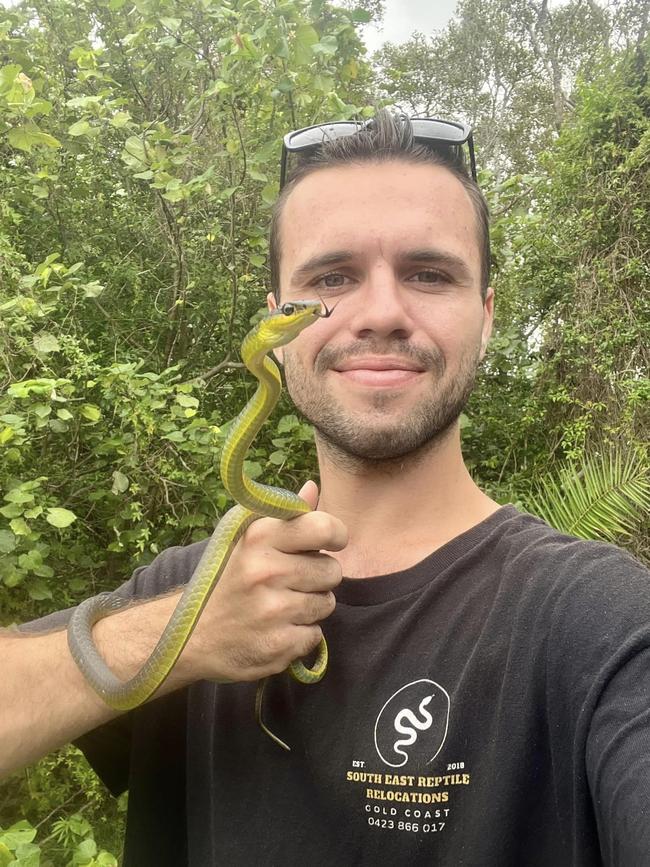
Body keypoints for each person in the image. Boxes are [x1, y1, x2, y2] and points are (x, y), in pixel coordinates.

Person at [2, 110, 649, 866]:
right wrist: (180, 635)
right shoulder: (199, 585)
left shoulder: (598, 622)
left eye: (429, 273)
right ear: (275, 330)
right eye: (330, 280)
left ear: (486, 317)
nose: (378, 313)